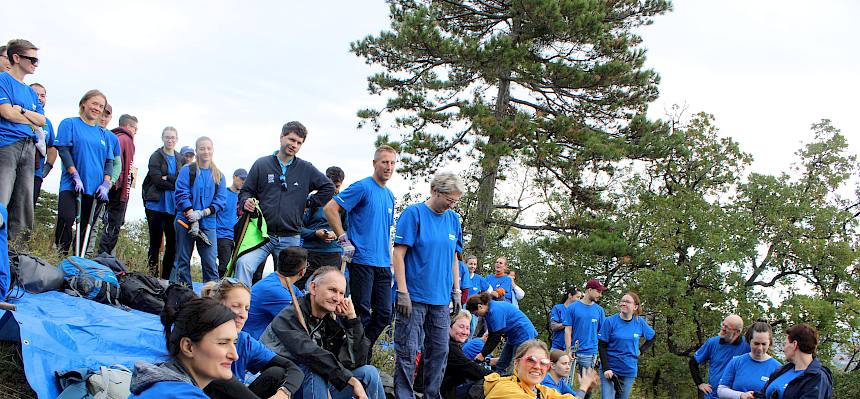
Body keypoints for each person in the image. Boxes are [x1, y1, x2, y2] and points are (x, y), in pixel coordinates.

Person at [261, 266, 385, 399]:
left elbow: (355, 362)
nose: (337, 298)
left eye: (341, 293)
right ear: (313, 288)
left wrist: (352, 320)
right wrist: (351, 380)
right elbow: (310, 354)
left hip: (315, 387)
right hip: (282, 387)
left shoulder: (328, 322)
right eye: (332, 290)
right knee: (315, 368)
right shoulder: (290, 316)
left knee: (369, 373)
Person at [392, 171, 464, 399]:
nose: (450, 205)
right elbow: (398, 254)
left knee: (440, 350)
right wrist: (402, 291)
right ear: (435, 191)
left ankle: (432, 394)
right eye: (448, 200)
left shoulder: (453, 219)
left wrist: (456, 289)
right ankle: (404, 394)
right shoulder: (414, 214)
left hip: (441, 299)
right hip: (414, 297)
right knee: (408, 349)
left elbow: (454, 256)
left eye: (454, 201)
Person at [235, 121, 335, 285]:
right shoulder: (262, 164)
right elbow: (246, 191)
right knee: (243, 264)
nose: (294, 145)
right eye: (291, 139)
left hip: (290, 236)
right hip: (262, 234)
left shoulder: (305, 168)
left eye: (299, 143)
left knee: (287, 282)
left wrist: (308, 202)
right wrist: (246, 201)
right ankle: (241, 308)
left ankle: (283, 310)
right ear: (282, 137)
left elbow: (328, 187)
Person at [323, 145, 396, 348]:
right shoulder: (363, 187)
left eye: (392, 163)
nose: (388, 167)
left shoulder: (389, 195)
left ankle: (361, 349)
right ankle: (354, 355)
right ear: (375, 164)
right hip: (362, 259)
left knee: (384, 314)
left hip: (382, 263)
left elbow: (385, 231)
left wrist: (390, 261)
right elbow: (330, 209)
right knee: (361, 311)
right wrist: (343, 239)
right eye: (384, 162)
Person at [200, 278, 303, 398]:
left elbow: (293, 369)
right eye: (236, 306)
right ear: (216, 305)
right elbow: (222, 380)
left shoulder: (244, 340)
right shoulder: (201, 337)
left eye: (247, 308)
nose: (243, 315)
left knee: (277, 373)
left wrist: (284, 393)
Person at [128, 297, 238, 398]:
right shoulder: (182, 395)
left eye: (235, 343)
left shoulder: (155, 385)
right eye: (223, 343)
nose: (235, 355)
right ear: (188, 347)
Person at [53, 90, 115, 255]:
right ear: (84, 103)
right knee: (66, 219)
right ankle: (59, 256)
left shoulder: (103, 134)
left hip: (94, 189)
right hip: (72, 184)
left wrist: (106, 183)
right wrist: (74, 174)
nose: (97, 108)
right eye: (94, 103)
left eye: (101, 106)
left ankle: (78, 261)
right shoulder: (70, 123)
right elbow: (64, 151)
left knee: (86, 228)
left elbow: (109, 161)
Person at [0, 39, 45, 242]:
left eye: (37, 60)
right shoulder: (3, 80)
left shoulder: (29, 91)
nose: (35, 64)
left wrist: (21, 110)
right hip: (7, 145)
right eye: (32, 59)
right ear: (16, 58)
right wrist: (29, 119)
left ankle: (17, 253)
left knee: (24, 202)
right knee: (2, 197)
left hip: (29, 147)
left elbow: (42, 121)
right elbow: (6, 113)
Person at [172, 136, 227, 285]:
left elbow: (221, 200)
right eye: (202, 148)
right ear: (196, 151)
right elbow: (181, 193)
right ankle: (183, 296)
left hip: (208, 223)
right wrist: (191, 214)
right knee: (183, 261)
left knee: (210, 263)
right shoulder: (187, 170)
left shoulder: (219, 176)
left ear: (213, 150)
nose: (205, 151)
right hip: (185, 220)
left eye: (208, 148)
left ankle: (210, 299)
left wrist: (202, 213)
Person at [482, 339, 598, 399]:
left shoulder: (541, 390)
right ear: (516, 363)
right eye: (531, 360)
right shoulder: (506, 388)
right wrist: (583, 387)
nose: (537, 366)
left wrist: (587, 388)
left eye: (543, 362)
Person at [597, 292, 656, 399]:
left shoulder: (639, 322)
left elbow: (652, 337)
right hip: (610, 369)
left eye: (627, 302)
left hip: (628, 370)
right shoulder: (610, 321)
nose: (623, 303)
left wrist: (641, 350)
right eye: (622, 301)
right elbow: (602, 345)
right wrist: (606, 368)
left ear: (635, 307)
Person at [297, 166, 346, 290]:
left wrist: (337, 234)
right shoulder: (312, 201)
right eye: (331, 185)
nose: (334, 190)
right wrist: (315, 233)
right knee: (299, 286)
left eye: (337, 186)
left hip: (333, 254)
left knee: (332, 288)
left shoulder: (344, 203)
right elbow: (298, 228)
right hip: (310, 253)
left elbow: (349, 229)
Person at [143, 127, 181, 278]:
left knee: (173, 244)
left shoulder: (180, 158)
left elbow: (182, 180)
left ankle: (165, 279)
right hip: (156, 205)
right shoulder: (156, 156)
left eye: (172, 137)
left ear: (176, 139)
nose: (170, 140)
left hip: (173, 207)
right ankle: (152, 276)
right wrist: (174, 181)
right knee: (155, 242)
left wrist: (169, 178)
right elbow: (157, 180)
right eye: (167, 137)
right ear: (162, 138)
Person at [244, 247, 307, 339]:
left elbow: (305, 301)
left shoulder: (280, 282)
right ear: (302, 271)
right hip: (252, 342)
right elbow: (301, 322)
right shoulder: (276, 292)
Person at [466, 292, 538, 372]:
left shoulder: (495, 310)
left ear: (480, 306)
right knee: (501, 364)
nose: (476, 316)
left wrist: (482, 354)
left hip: (523, 334)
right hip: (512, 336)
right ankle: (498, 381)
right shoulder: (488, 313)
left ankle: (512, 383)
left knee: (515, 366)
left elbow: (496, 337)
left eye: (476, 313)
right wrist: (483, 354)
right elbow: (491, 335)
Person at [98, 114, 137, 255]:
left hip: (112, 187)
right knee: (113, 226)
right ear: (128, 126)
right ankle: (103, 258)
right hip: (118, 190)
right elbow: (118, 163)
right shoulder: (125, 139)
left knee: (110, 223)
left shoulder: (113, 137)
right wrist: (118, 185)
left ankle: (105, 256)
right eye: (135, 129)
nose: (135, 132)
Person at [760, 324, 832, 399]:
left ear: (794, 344)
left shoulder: (817, 378)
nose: (784, 349)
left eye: (786, 343)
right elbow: (763, 394)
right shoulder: (782, 370)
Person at [690, 314, 751, 399]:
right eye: (723, 324)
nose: (723, 328)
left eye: (727, 327)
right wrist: (699, 383)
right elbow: (693, 362)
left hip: (736, 395)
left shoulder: (747, 345)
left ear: (737, 332)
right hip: (713, 396)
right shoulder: (712, 343)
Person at [717, 321, 781, 399]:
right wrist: (740, 395)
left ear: (769, 343)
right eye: (756, 343)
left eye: (764, 344)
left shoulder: (778, 368)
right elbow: (721, 390)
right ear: (749, 341)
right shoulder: (736, 362)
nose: (760, 348)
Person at [437, 311, 492, 398]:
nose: (465, 332)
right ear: (449, 326)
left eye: (467, 328)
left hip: (445, 389)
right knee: (483, 386)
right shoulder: (449, 347)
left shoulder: (448, 343)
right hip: (439, 394)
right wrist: (499, 377)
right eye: (461, 327)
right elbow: (470, 368)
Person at [563, 279, 607, 384]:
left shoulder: (599, 310)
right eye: (598, 291)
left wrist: (601, 355)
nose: (600, 295)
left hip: (589, 353)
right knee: (565, 383)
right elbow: (568, 330)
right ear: (590, 290)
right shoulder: (573, 307)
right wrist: (568, 350)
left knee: (587, 385)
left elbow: (602, 334)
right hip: (572, 352)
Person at [216, 168, 246, 277]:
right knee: (224, 266)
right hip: (222, 234)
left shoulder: (244, 198)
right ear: (234, 177)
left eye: (245, 180)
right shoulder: (223, 193)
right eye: (241, 178)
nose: (243, 182)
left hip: (238, 237)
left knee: (235, 267)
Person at [29, 83, 55, 206]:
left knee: (26, 211)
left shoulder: (47, 123)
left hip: (35, 174)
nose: (39, 98)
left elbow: (52, 147)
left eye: (42, 95)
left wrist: (48, 167)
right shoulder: (17, 114)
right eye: (36, 94)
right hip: (13, 170)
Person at [550, 286, 581, 351]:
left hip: (572, 348)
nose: (579, 300)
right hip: (557, 347)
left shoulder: (579, 311)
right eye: (577, 297)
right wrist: (567, 323)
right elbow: (553, 326)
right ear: (570, 295)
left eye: (580, 298)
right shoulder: (557, 308)